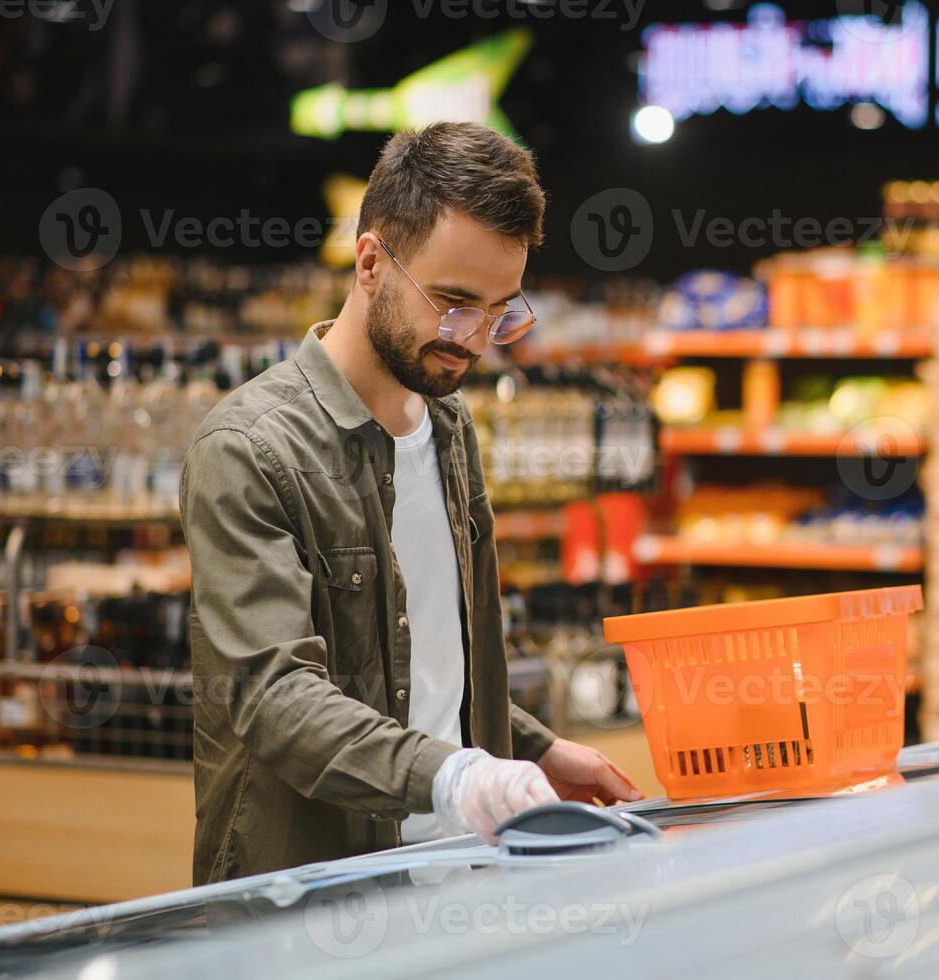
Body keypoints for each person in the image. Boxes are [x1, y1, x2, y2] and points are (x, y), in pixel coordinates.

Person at [180, 122, 642, 885]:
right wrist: (461, 777)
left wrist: (530, 748)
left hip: (456, 875)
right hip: (309, 904)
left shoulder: (450, 426)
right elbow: (274, 700)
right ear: (370, 262)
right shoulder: (250, 448)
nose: (475, 340)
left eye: (499, 312)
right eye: (454, 302)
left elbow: (427, 665)